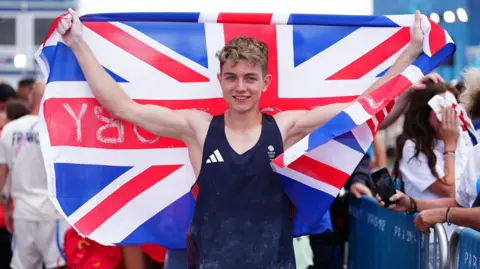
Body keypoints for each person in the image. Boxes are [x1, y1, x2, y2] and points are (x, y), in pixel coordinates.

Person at [57, 8, 425, 268]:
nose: (241, 87)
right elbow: (122, 107)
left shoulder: (285, 127)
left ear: (265, 83)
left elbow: (365, 107)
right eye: (231, 77)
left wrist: (409, 53)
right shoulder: (198, 128)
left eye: (250, 78)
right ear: (220, 81)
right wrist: (78, 44)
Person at [0, 80, 70, 269]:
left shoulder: (10, 130)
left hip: (23, 213)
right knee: (56, 264)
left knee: (22, 265)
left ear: (31, 98)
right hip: (53, 214)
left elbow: (3, 175)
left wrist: (6, 208)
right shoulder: (63, 130)